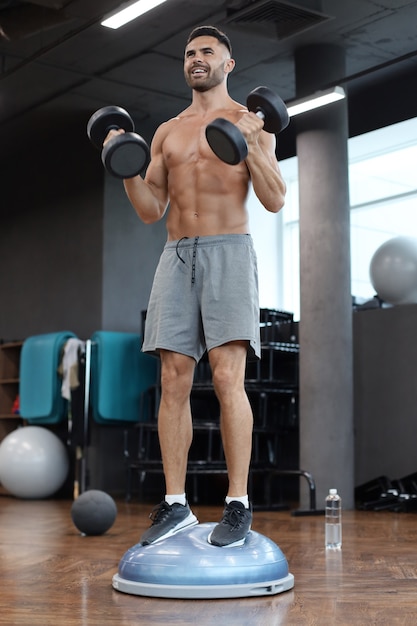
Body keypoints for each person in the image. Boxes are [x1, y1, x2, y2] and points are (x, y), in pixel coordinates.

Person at [105, 25, 286, 547]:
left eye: (208, 52)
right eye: (189, 53)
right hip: (175, 253)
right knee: (173, 379)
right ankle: (177, 503)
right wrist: (124, 165)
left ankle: (237, 503)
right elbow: (149, 210)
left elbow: (274, 200)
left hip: (229, 249)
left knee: (229, 378)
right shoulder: (167, 132)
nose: (197, 59)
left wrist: (253, 145)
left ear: (229, 64)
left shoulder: (251, 124)